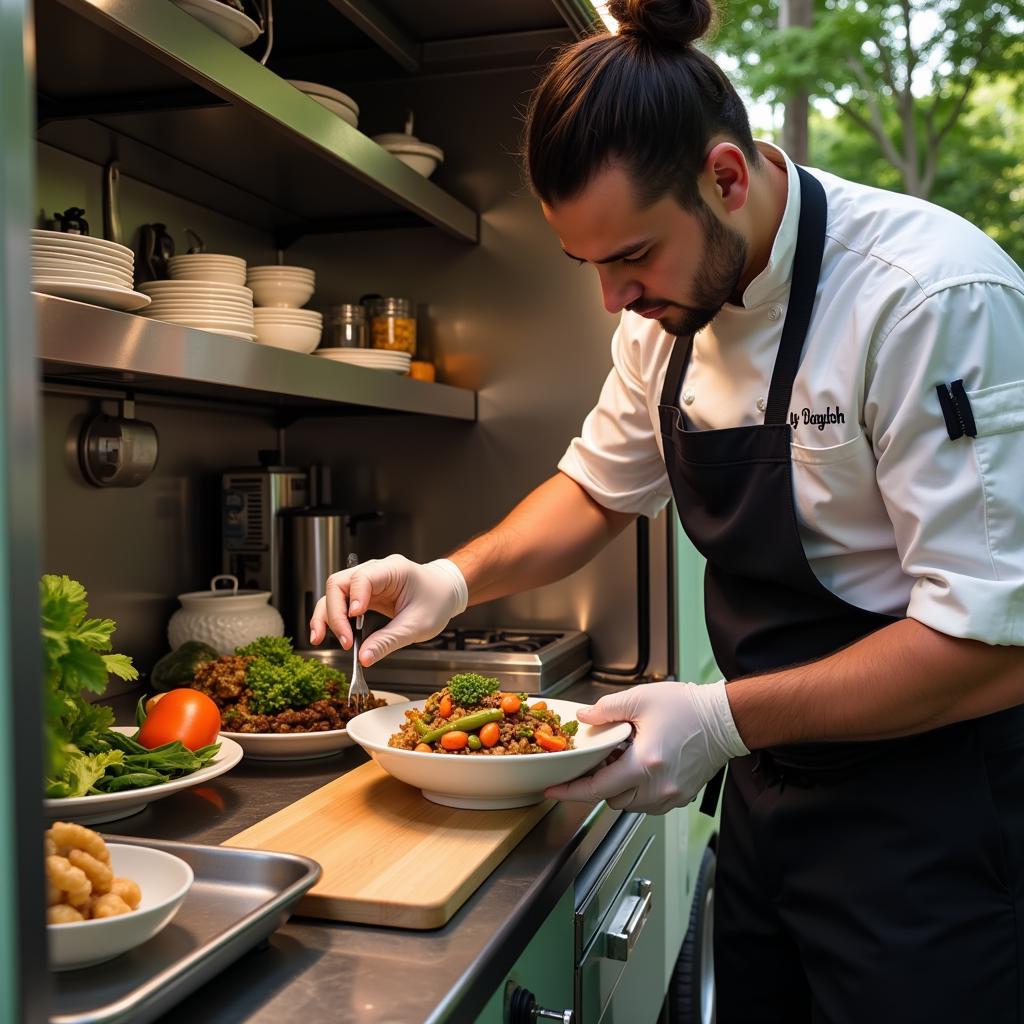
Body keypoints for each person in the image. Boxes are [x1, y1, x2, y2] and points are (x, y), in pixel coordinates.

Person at [311, 0, 1024, 1018]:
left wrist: (718, 717)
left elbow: (993, 645)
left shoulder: (928, 301)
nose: (611, 300)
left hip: (932, 817)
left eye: (630, 258)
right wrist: (450, 579)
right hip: (769, 798)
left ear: (726, 178)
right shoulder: (664, 315)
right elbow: (595, 489)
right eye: (589, 265)